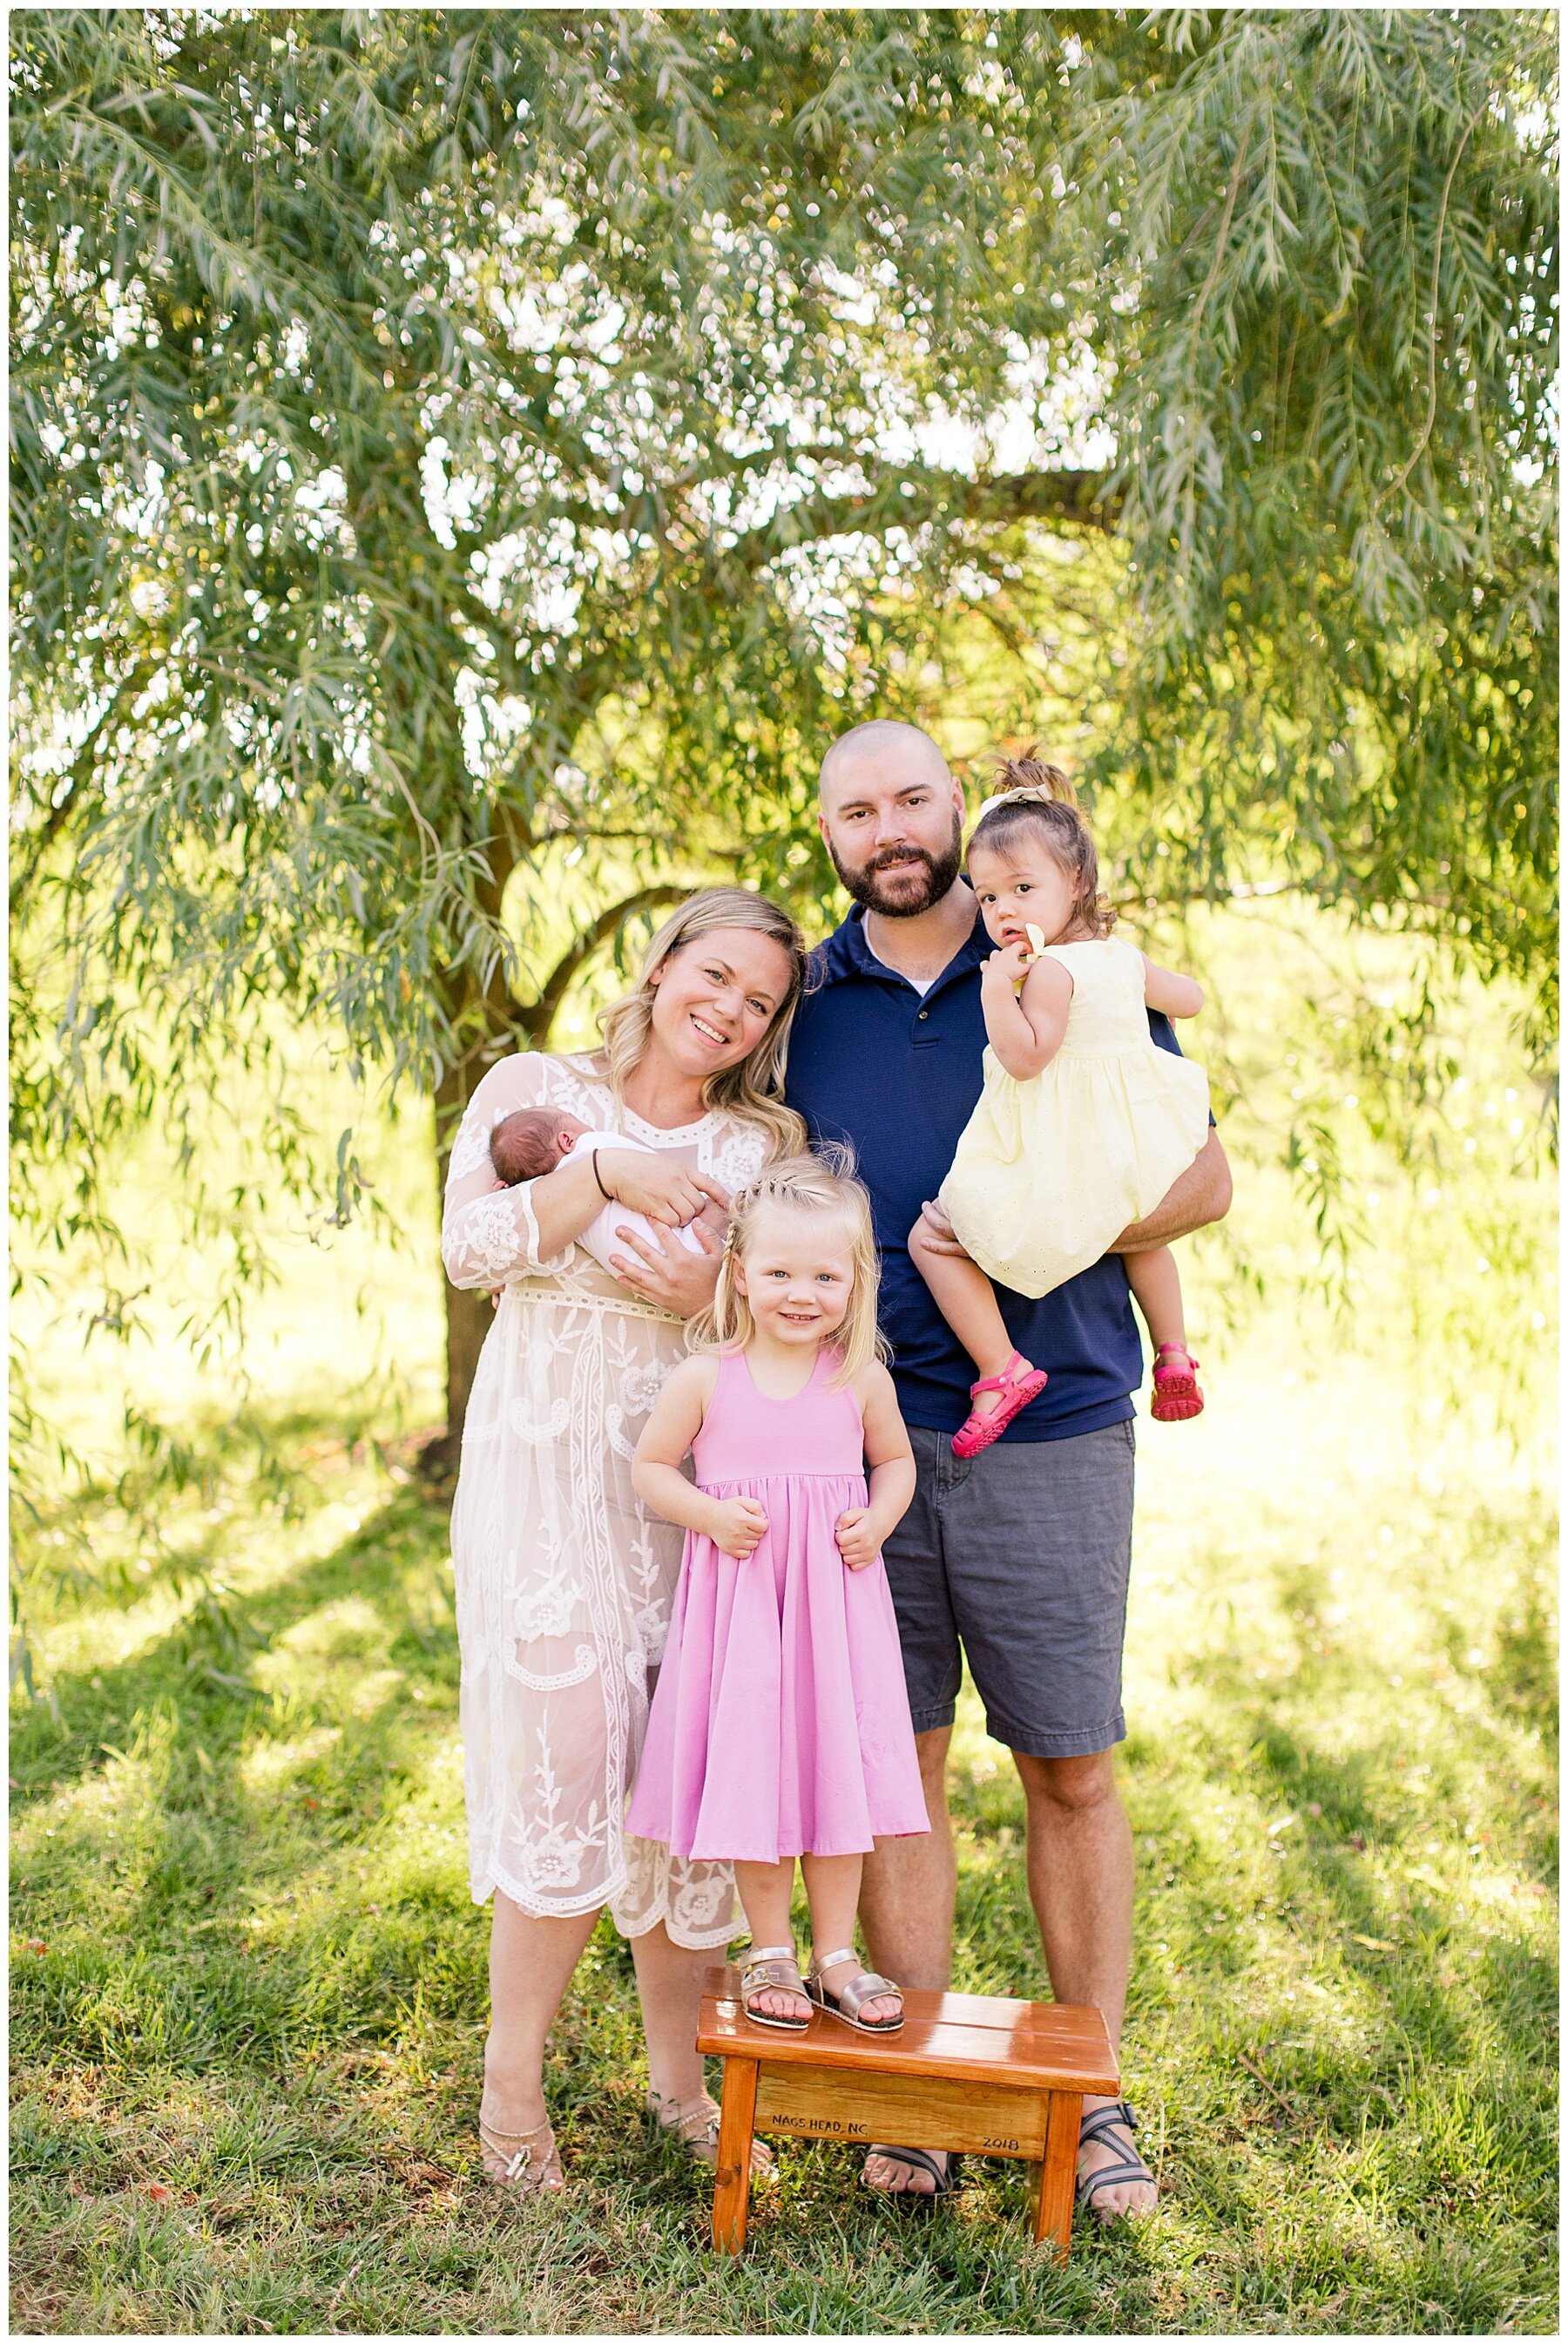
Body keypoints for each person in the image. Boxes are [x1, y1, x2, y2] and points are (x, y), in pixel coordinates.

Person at [783, 721, 1233, 2219]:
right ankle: (912, 2088)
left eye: (915, 797)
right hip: (853, 1439)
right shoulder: (809, 999)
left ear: (959, 811)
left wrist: (1027, 1234)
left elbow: (1203, 1178)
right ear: (833, 833)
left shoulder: (1064, 954)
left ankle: (1085, 2095)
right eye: (860, 809)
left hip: (1056, 1425)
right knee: (898, 1764)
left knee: (1069, 1764)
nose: (890, 828)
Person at [441, 886, 808, 2196]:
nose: (728, 1008)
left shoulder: (761, 1145)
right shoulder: (533, 1086)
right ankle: (512, 2081)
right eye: (712, 975)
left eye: (759, 1000)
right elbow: (470, 1244)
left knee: (684, 1778)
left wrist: (708, 1291)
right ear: (660, 966)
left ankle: (676, 2078)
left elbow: (793, 1315)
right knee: (572, 1746)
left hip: (691, 1488)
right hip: (543, 1468)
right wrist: (593, 1171)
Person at [627, 1155, 926, 2035]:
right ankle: (771, 1948)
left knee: (834, 1775)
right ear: (741, 1274)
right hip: (748, 1608)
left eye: (826, 1275)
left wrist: (878, 1517)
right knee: (759, 1773)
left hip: (833, 1611)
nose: (803, 1292)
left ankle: (836, 1951)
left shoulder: (858, 1376)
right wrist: (711, 1515)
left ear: (855, 1281)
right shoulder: (708, 1376)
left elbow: (897, 1460)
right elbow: (651, 1467)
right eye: (781, 1271)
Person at [911, 770, 1211, 1455]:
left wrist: (995, 991)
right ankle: (1173, 1351)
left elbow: (1026, 1058)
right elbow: (1188, 998)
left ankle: (1001, 1369)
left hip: (1063, 1145)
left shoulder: (1047, 972)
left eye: (1022, 888)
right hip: (1128, 1133)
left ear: (1075, 880)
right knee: (1143, 1235)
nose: (1003, 910)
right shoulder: (1123, 957)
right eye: (987, 897)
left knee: (935, 1237)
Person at [488, 1106, 729, 1273]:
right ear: (567, 1140)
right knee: (732, 1207)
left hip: (649, 1270)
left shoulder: (558, 1210)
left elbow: (520, 1215)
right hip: (690, 1244)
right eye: (574, 1118)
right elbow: (656, 1170)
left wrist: (509, 1193)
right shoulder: (596, 1147)